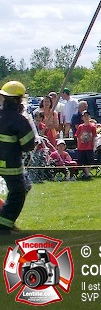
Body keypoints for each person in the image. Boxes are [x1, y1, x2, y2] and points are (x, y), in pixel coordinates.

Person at [0, 81, 36, 232]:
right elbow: (28, 146)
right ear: (18, 100)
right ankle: (3, 226)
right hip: (10, 165)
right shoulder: (19, 120)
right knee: (18, 193)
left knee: (24, 185)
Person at [74, 110, 96, 180]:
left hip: (89, 147)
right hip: (81, 148)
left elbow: (94, 137)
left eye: (87, 116)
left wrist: (94, 146)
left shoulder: (92, 127)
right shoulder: (80, 127)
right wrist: (78, 146)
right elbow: (77, 137)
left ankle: (87, 174)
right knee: (82, 161)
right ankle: (87, 174)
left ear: (89, 117)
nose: (86, 117)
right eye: (84, 116)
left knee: (89, 162)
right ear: (82, 118)